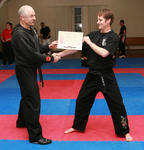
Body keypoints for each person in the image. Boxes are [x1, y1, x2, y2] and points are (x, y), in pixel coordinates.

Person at [54, 8, 133, 142]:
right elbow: (76, 47)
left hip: (106, 75)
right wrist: (59, 54)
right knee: (82, 101)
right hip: (92, 75)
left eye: (100, 20)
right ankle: (78, 126)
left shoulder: (113, 37)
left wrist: (89, 42)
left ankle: (124, 131)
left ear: (108, 21)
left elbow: (104, 53)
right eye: (97, 19)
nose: (98, 22)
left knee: (117, 104)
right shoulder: (93, 35)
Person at [11, 5, 60, 145]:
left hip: (31, 68)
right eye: (31, 16)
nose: (34, 18)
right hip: (24, 69)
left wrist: (48, 47)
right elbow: (31, 55)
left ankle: (21, 122)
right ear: (22, 18)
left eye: (34, 15)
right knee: (33, 100)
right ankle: (35, 136)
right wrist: (50, 58)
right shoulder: (19, 34)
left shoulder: (31, 30)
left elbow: (36, 48)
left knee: (27, 95)